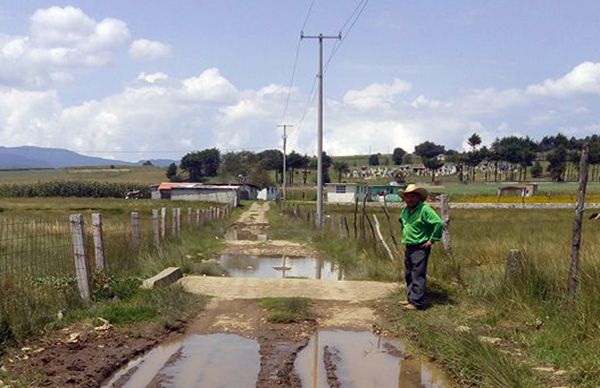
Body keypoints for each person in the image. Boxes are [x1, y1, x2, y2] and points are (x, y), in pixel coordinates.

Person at [398, 184, 443, 310]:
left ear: (418, 198)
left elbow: (438, 223)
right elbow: (402, 222)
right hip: (409, 245)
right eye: (407, 197)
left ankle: (416, 302)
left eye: (412, 197)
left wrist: (432, 239)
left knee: (417, 274)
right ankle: (410, 298)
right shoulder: (405, 210)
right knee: (408, 274)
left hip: (420, 246)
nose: (410, 199)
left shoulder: (424, 209)